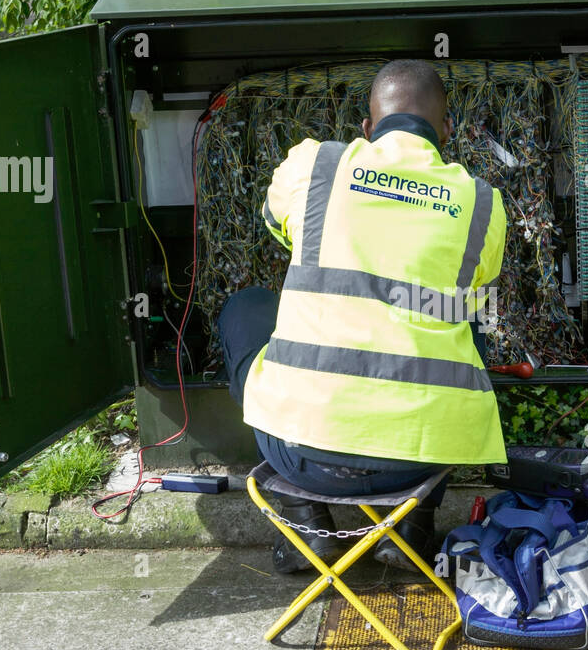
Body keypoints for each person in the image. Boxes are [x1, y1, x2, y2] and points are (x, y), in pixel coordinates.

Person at [218, 59, 508, 574]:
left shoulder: (315, 165)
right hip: (422, 456)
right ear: (447, 130)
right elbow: (471, 289)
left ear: (368, 128)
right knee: (463, 320)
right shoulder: (482, 203)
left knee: (247, 307)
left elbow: (279, 228)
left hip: (305, 453)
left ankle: (308, 519)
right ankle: (412, 527)